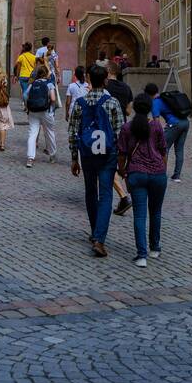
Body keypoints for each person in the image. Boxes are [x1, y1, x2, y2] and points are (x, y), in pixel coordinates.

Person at [69, 62, 125, 258]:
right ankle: (100, 238)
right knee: (106, 194)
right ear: (106, 80)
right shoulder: (113, 103)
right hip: (107, 154)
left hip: (87, 154)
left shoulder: (80, 103)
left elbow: (73, 132)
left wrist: (74, 158)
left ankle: (95, 232)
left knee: (91, 192)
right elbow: (120, 133)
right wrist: (121, 160)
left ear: (89, 80)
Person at [118, 93, 168, 266]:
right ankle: (155, 248)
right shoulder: (156, 125)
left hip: (136, 173)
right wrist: (163, 170)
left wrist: (123, 172)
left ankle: (141, 255)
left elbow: (122, 154)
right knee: (155, 212)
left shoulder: (126, 128)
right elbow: (163, 150)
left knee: (139, 216)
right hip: (157, 174)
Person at [144, 81, 190, 182]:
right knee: (179, 149)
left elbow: (156, 122)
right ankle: (176, 176)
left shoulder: (155, 103)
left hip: (174, 124)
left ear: (148, 94)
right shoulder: (166, 97)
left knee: (163, 148)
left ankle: (161, 174)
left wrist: (157, 135)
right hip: (185, 122)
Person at [106, 65, 134, 215]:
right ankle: (126, 192)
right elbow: (129, 111)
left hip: (107, 129)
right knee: (120, 162)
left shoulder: (105, 86)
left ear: (109, 72)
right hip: (123, 128)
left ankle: (124, 197)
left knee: (107, 165)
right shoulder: (127, 88)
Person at [24, 60, 58, 167]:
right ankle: (52, 155)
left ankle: (30, 158)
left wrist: (27, 107)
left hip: (33, 111)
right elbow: (53, 98)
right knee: (49, 133)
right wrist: (52, 107)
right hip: (46, 111)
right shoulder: (49, 83)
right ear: (46, 73)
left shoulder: (33, 83)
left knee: (32, 133)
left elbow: (25, 96)